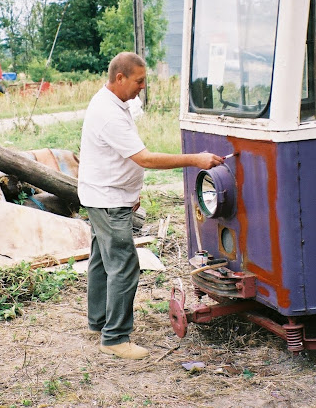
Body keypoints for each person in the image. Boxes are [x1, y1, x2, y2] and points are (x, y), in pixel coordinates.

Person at [77, 52, 224, 360]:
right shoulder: (109, 113)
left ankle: (100, 323)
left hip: (104, 194)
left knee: (102, 262)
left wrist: (132, 190)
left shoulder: (112, 103)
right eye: (139, 81)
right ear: (120, 78)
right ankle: (115, 338)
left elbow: (119, 157)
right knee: (124, 265)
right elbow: (144, 158)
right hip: (107, 199)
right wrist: (195, 160)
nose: (142, 87)